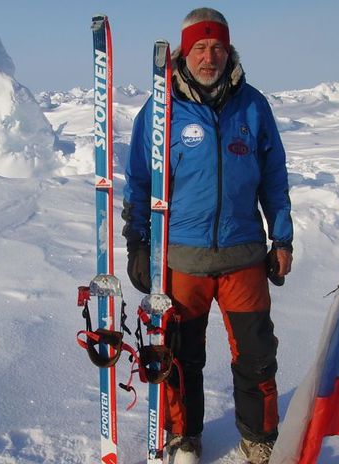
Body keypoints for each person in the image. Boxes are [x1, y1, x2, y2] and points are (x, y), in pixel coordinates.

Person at [122, 7, 293, 464]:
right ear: (185, 52)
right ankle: (184, 436)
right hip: (182, 258)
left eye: (217, 47)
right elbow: (139, 181)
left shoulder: (252, 105)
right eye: (200, 47)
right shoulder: (160, 109)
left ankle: (259, 437)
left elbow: (273, 177)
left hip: (244, 255)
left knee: (257, 354)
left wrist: (282, 238)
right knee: (180, 356)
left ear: (229, 51)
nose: (209, 57)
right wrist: (138, 243)